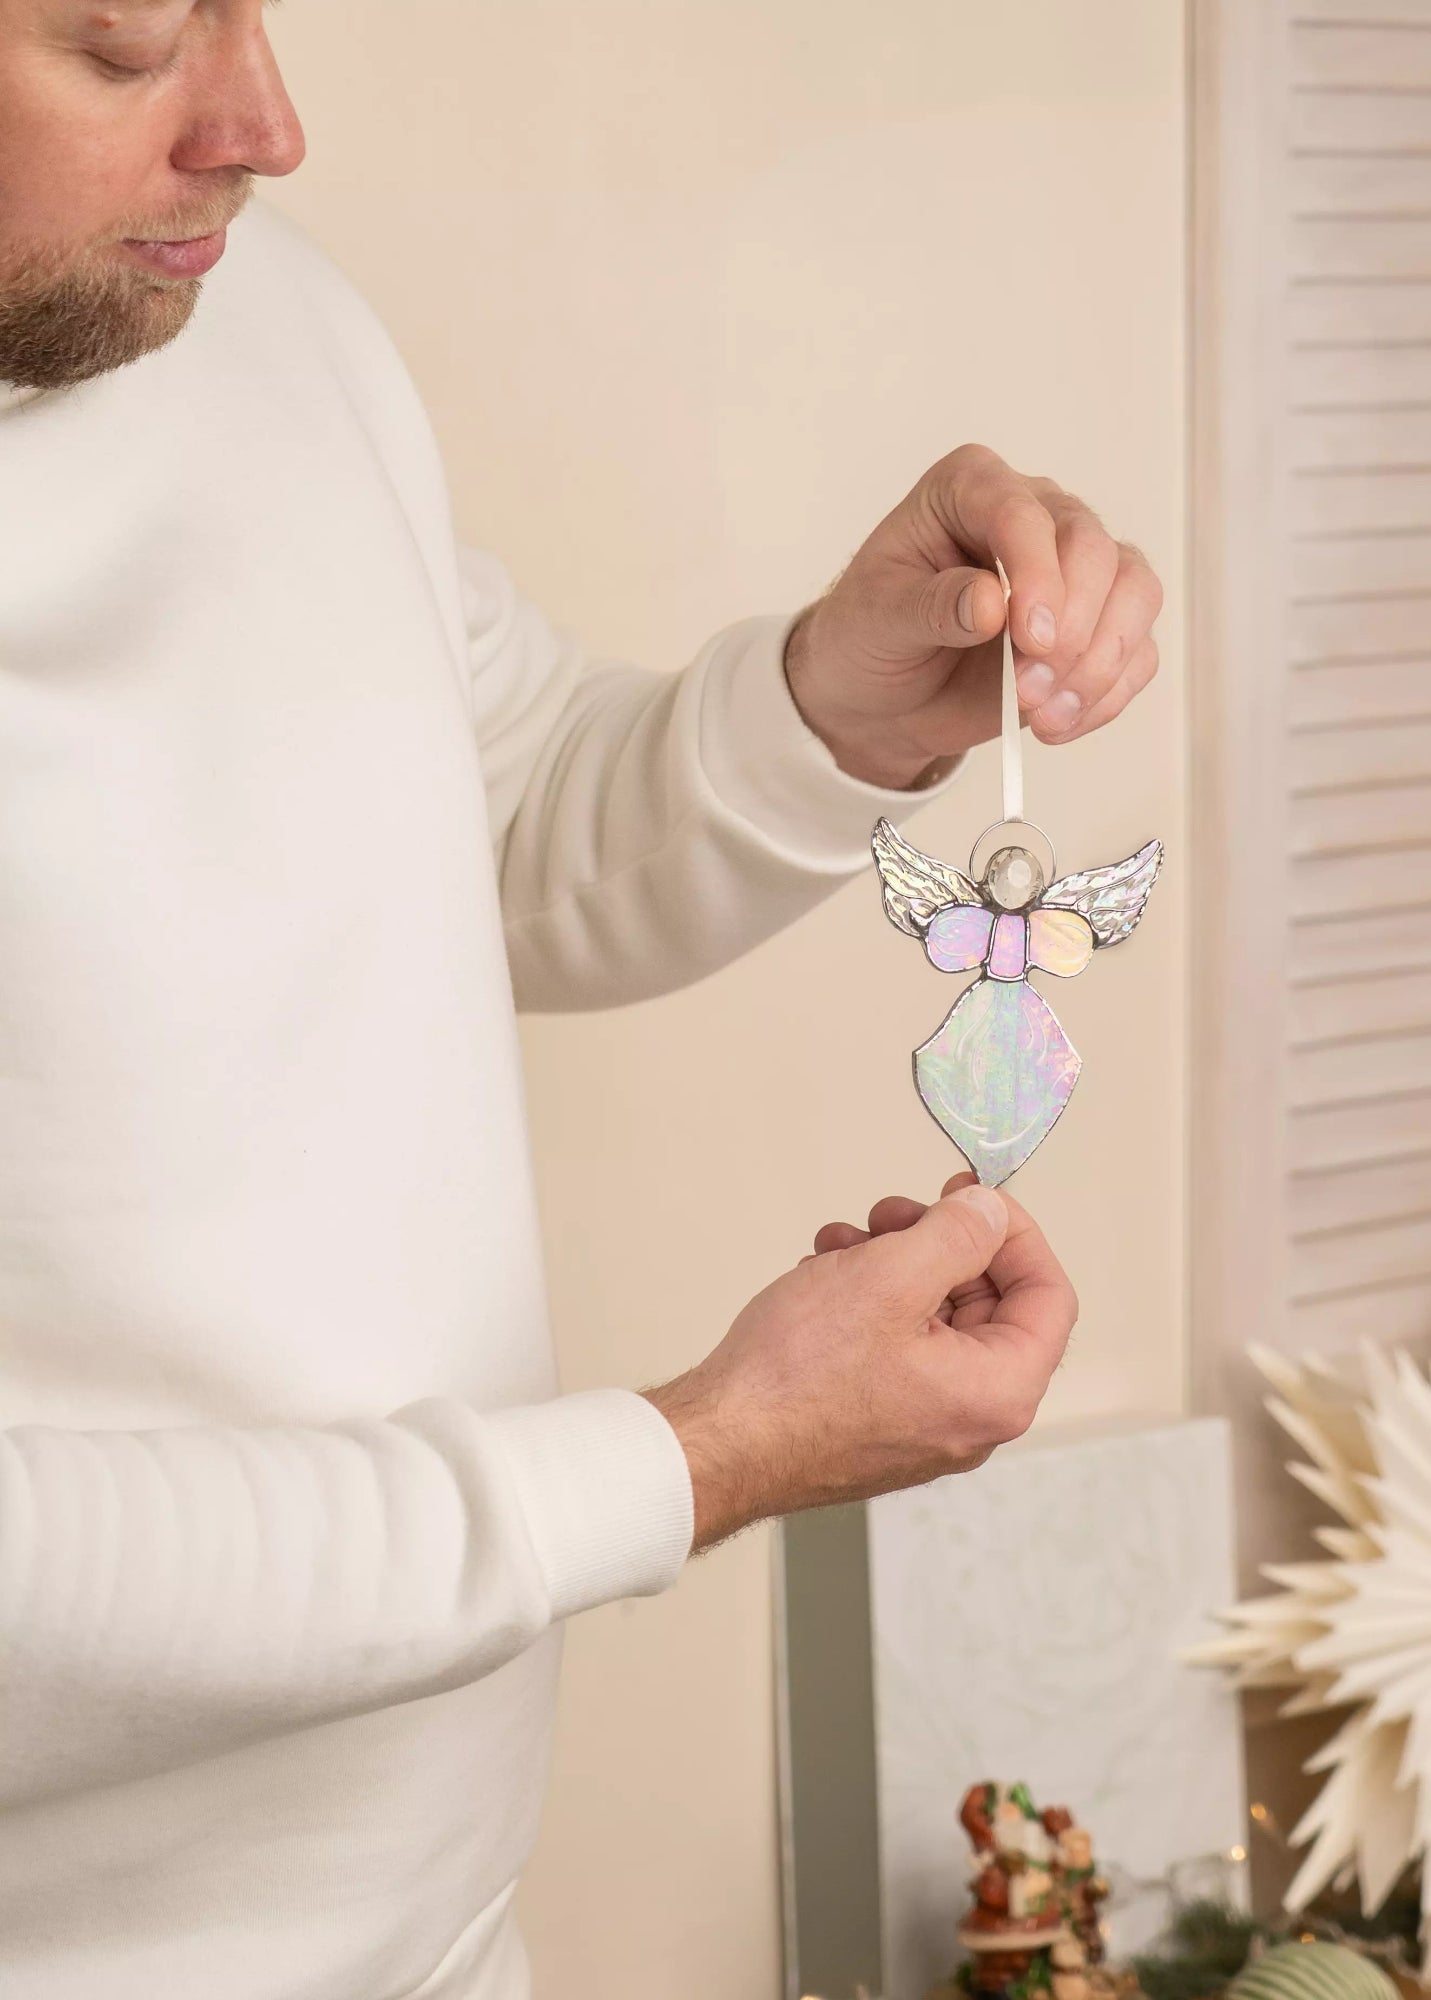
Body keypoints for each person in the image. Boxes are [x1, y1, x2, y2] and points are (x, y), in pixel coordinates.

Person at [0, 4, 1164, 1996]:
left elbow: (482, 801)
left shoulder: (244, 315)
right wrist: (701, 1454)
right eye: (123, 47)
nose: (264, 126)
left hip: (439, 1940)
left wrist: (825, 707)